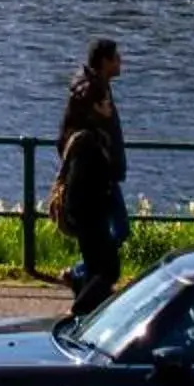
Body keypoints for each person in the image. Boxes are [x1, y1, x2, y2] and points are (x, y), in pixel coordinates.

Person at [53, 37, 130, 315]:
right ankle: (81, 305)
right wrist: (99, 111)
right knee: (108, 265)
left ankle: (83, 291)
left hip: (98, 185)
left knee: (104, 257)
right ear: (104, 60)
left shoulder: (96, 87)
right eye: (116, 57)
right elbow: (80, 129)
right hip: (95, 187)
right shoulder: (92, 92)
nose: (121, 62)